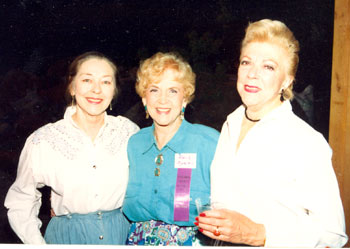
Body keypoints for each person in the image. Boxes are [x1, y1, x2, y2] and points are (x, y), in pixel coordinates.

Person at [195, 19, 348, 247]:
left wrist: (259, 234)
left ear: (286, 80)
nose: (252, 74)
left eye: (268, 66)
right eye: (246, 62)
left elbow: (333, 235)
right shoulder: (231, 124)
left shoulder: (306, 141)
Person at [4, 51, 139, 244]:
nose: (96, 90)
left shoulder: (129, 132)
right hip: (67, 238)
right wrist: (36, 244)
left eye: (106, 82)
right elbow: (21, 200)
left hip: (122, 236)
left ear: (114, 90)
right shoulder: (43, 140)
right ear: (72, 86)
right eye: (87, 80)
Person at [122, 52, 219, 246]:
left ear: (185, 98)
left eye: (173, 91)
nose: (163, 100)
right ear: (143, 98)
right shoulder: (134, 144)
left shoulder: (208, 142)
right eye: (154, 90)